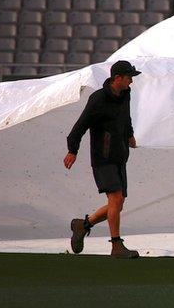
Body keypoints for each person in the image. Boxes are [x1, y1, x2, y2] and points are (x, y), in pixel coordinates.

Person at [64, 60, 141, 259]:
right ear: (118, 78)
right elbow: (79, 127)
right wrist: (73, 151)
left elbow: (126, 117)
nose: (131, 81)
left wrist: (130, 135)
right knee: (115, 199)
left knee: (118, 203)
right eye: (129, 77)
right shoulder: (98, 99)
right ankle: (116, 246)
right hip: (103, 158)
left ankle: (83, 225)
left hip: (120, 155)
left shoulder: (125, 94)